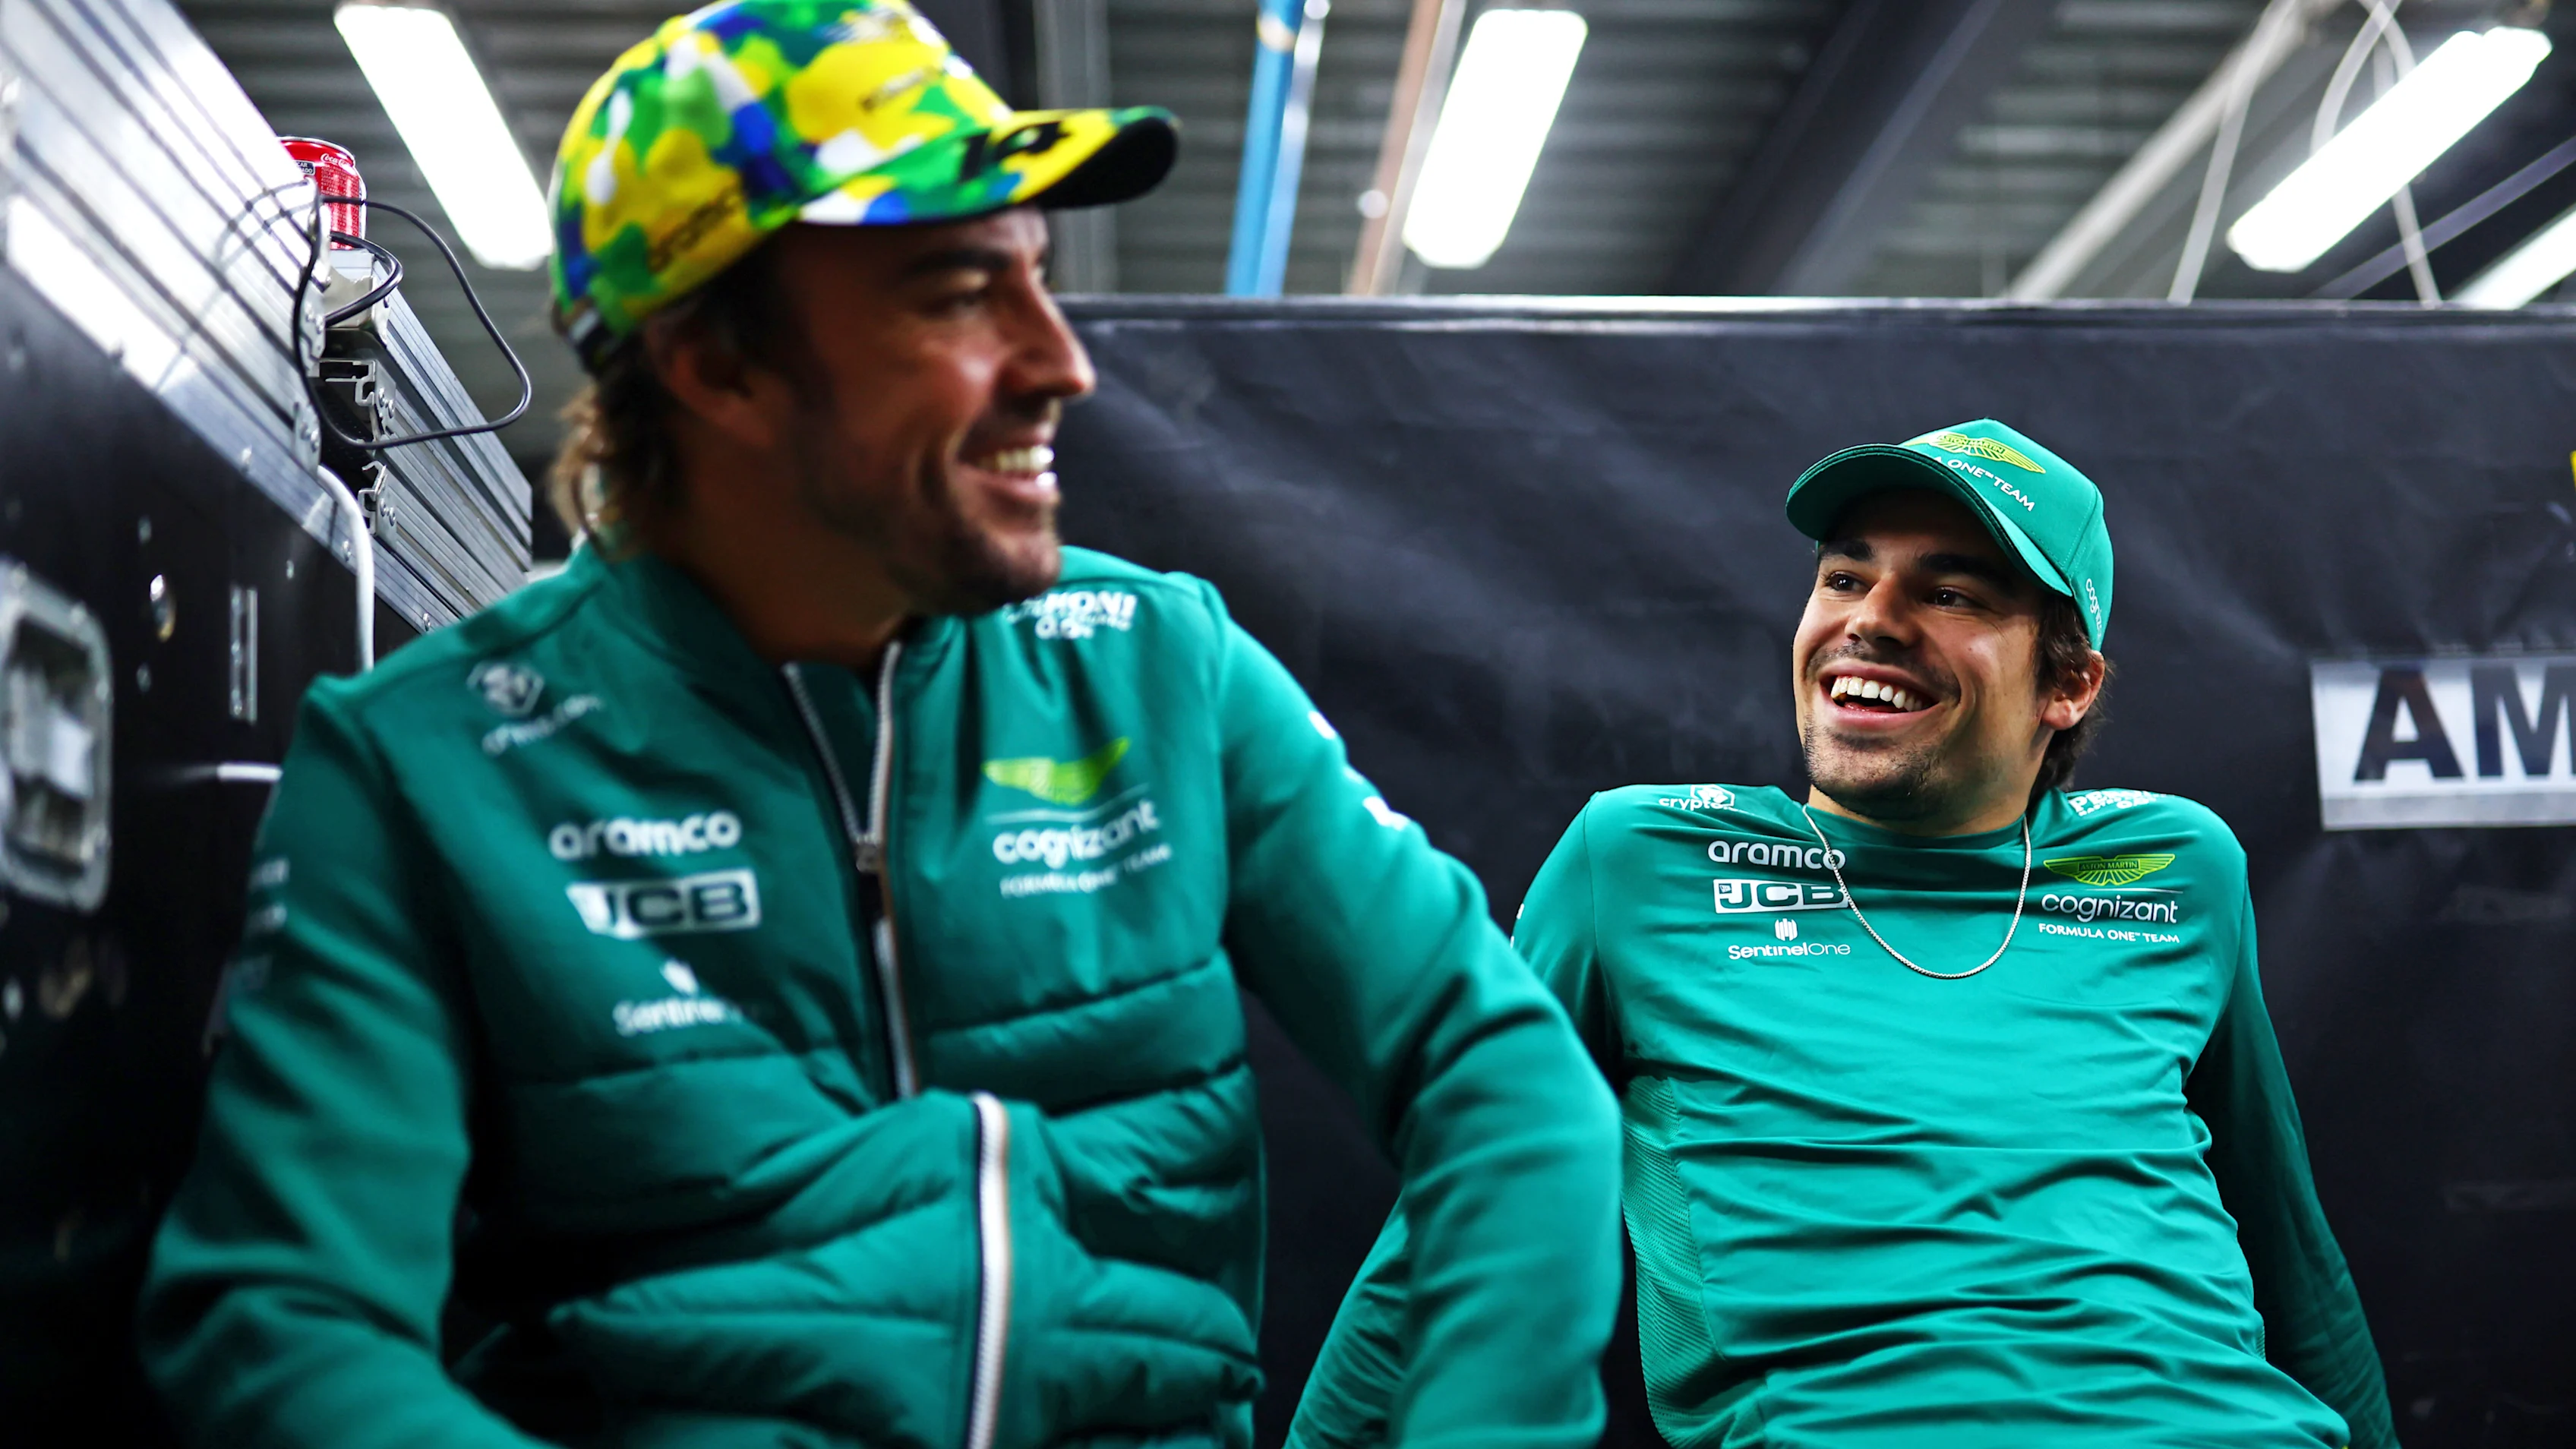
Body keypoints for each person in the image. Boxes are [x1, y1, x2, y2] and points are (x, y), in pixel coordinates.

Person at [137, 4, 1621, 1445]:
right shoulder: (425, 761)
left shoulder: (1156, 663)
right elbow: (282, 1324)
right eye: (961, 294)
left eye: (1037, 279)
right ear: (717, 364)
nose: (1062, 361)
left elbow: (1500, 1074)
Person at [1291, 420, 2398, 1449]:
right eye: (1844, 576)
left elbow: (2289, 1252)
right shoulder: (1638, 859)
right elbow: (1455, 1226)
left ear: (2068, 683)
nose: (1869, 617)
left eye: (1951, 591)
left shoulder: (2177, 864)